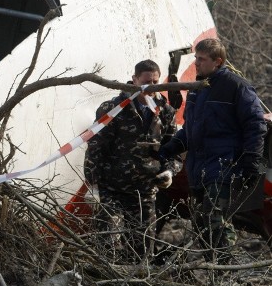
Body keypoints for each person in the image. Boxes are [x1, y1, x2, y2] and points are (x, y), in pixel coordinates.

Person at [160, 38, 267, 262]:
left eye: (201, 59)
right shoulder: (198, 89)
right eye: (196, 58)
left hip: (225, 166)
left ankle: (226, 273)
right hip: (199, 168)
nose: (196, 63)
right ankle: (216, 271)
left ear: (217, 62)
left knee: (214, 218)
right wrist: (170, 148)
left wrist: (252, 159)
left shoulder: (236, 86)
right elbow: (191, 130)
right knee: (201, 222)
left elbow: (255, 124)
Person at [84, 60, 179, 262]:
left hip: (144, 192)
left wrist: (170, 171)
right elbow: (95, 148)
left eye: (155, 83)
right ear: (134, 80)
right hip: (112, 189)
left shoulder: (167, 112)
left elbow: (174, 150)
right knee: (108, 245)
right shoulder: (113, 109)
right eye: (145, 83)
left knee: (142, 250)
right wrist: (92, 185)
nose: (150, 89)